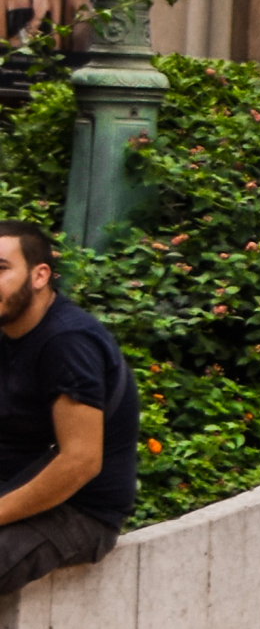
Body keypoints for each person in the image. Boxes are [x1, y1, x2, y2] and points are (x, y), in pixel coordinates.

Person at [0, 221, 138, 596]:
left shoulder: (67, 343)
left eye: (1, 269)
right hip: (16, 486)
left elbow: (80, 462)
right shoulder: (9, 330)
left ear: (39, 275)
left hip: (78, 512)